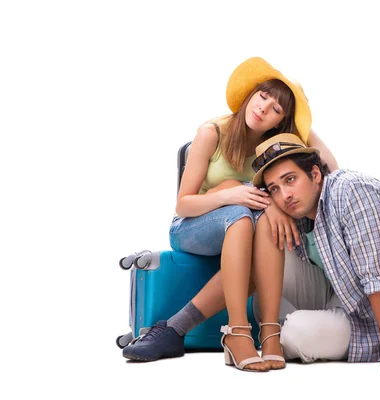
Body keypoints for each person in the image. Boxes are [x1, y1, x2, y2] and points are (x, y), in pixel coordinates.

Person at [122, 57, 338, 372]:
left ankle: (267, 334)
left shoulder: (273, 149)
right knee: (240, 211)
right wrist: (230, 192)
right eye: (263, 96)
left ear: (280, 122)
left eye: (276, 109)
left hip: (243, 235)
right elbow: (183, 204)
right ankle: (237, 332)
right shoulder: (212, 132)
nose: (264, 108)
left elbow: (330, 167)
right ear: (250, 94)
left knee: (265, 225)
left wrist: (303, 127)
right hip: (193, 228)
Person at [251, 133, 380, 375]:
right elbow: (245, 193)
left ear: (315, 174)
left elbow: (377, 279)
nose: (285, 195)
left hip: (370, 319)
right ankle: (285, 333)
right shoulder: (299, 210)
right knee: (262, 298)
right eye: (275, 189)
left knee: (296, 333)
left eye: (290, 180)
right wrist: (270, 205)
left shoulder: (352, 191)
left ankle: (292, 333)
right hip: (336, 296)